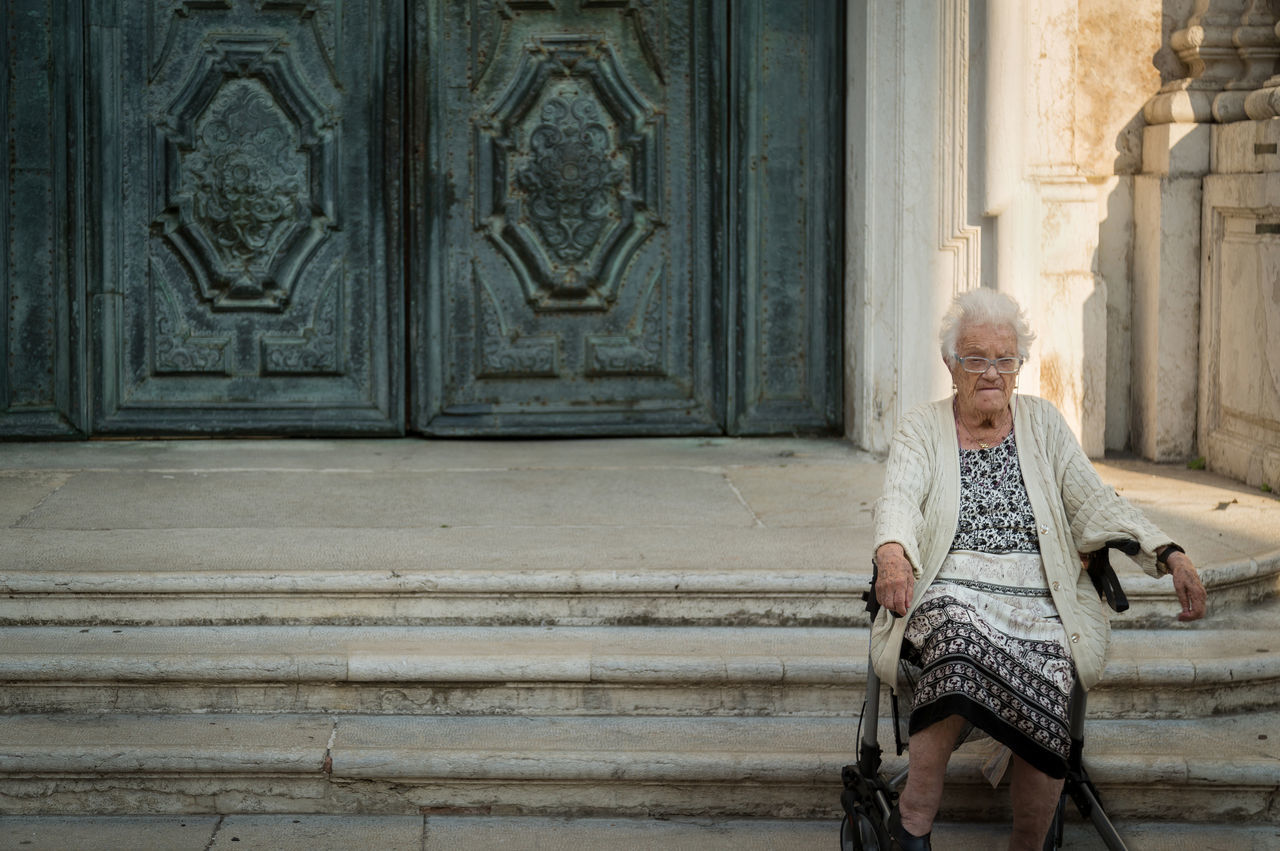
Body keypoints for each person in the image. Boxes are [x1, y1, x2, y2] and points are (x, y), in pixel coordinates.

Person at [870, 289, 1207, 851]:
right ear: (951, 365)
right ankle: (913, 820)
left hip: (1038, 592)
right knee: (955, 634)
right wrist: (891, 553)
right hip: (949, 585)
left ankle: (1029, 845)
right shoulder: (921, 429)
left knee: (1055, 657)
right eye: (976, 359)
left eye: (1006, 359)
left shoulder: (1044, 425)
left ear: (1019, 365)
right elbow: (899, 498)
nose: (992, 373)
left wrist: (1168, 552)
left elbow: (1094, 501)